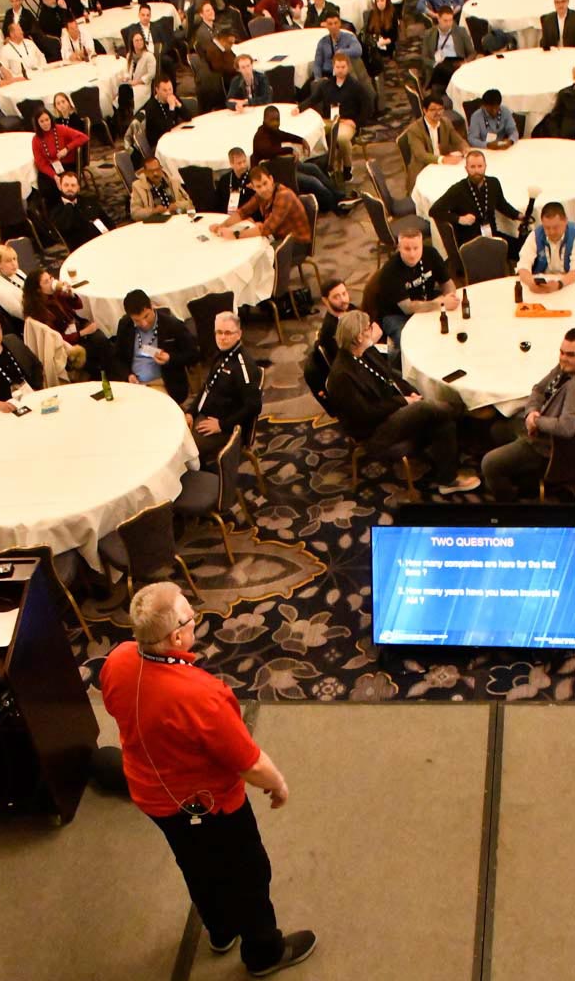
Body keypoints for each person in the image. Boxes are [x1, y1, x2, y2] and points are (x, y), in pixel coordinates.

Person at [100, 581, 316, 976]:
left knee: (195, 865)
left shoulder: (117, 660)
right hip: (211, 807)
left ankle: (220, 929)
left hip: (153, 797)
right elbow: (249, 763)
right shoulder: (202, 695)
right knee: (249, 872)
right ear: (176, 637)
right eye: (190, 616)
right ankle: (264, 952)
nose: (196, 619)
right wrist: (278, 784)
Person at [327, 309, 480, 493]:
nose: (373, 329)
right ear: (359, 337)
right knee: (425, 408)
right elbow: (366, 414)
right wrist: (403, 401)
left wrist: (409, 394)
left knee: (443, 423)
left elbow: (390, 377)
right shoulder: (342, 376)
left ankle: (447, 479)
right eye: (368, 327)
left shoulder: (365, 352)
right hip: (374, 431)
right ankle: (464, 411)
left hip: (388, 411)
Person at [482, 330, 575, 500]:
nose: (563, 358)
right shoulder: (564, 367)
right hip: (538, 427)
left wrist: (536, 422)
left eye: (570, 355)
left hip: (550, 448)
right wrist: (532, 412)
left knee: (489, 464)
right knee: (497, 429)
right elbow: (538, 389)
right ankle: (523, 477)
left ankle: (513, 507)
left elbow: (567, 427)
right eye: (562, 352)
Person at [186, 310, 262, 466]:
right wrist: (191, 412)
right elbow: (207, 387)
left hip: (227, 427)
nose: (222, 337)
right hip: (207, 415)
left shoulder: (243, 365)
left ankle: (201, 475)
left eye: (228, 333)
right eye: (219, 332)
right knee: (177, 432)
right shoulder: (222, 353)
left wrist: (222, 425)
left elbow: (254, 406)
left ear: (239, 334)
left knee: (187, 449)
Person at [252, 105, 356, 214]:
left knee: (313, 168)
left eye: (277, 120)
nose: (275, 123)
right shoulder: (260, 137)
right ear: (265, 120)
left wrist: (301, 140)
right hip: (276, 174)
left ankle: (339, 196)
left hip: (283, 165)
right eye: (272, 120)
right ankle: (335, 205)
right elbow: (269, 151)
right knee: (312, 181)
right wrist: (289, 150)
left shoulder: (272, 131)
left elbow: (284, 135)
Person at [375, 226, 458, 354]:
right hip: (397, 315)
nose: (412, 254)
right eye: (407, 249)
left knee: (451, 327)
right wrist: (441, 303)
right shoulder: (390, 271)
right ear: (399, 248)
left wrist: (450, 296)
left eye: (416, 248)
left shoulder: (431, 254)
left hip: (427, 300)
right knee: (411, 345)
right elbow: (407, 308)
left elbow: (447, 283)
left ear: (422, 246)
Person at [23, 267, 114, 377]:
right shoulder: (39, 312)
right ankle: (105, 373)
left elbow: (78, 305)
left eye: (51, 278)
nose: (51, 282)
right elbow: (57, 338)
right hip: (67, 345)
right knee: (100, 342)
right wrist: (83, 332)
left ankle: (110, 369)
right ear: (38, 290)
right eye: (46, 282)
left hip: (76, 329)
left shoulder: (56, 294)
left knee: (101, 340)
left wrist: (71, 294)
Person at [429, 149, 523, 254]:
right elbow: (434, 210)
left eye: (480, 166)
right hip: (470, 242)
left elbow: (502, 204)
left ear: (485, 167)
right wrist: (460, 219)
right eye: (472, 167)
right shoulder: (458, 190)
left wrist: (518, 215)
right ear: (466, 168)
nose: (476, 170)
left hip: (492, 236)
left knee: (523, 247)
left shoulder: (493, 183)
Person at [114, 290, 198, 401]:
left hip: (162, 383)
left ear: (152, 306)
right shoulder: (125, 325)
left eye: (146, 316)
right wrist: (128, 375)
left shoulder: (172, 325)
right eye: (137, 320)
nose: (144, 323)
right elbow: (117, 357)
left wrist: (170, 358)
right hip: (134, 383)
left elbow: (193, 354)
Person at [296, 52, 367, 180]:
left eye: (343, 67)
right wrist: (299, 108)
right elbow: (313, 99)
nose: (340, 70)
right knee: (313, 132)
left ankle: (347, 168)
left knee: (342, 138)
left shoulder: (356, 86)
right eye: (337, 67)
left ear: (348, 67)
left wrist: (356, 122)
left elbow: (367, 106)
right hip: (328, 120)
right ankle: (320, 164)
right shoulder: (326, 85)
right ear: (333, 67)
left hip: (346, 122)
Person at [211, 165, 311, 246]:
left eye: (265, 183)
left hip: (295, 243)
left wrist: (235, 234)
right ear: (253, 187)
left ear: (271, 179)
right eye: (258, 186)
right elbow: (243, 212)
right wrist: (221, 226)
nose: (263, 189)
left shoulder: (284, 195)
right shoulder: (260, 195)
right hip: (279, 235)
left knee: (254, 253)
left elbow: (267, 229)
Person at [404, 93, 468, 190]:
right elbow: (420, 155)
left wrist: (465, 148)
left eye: (440, 109)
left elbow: (458, 141)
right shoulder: (415, 129)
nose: (438, 113)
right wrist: (442, 159)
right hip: (423, 169)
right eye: (433, 110)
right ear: (425, 110)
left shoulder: (445, 122)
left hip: (443, 168)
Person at [31, 108, 88, 203]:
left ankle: (70, 204)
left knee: (65, 185)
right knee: (47, 189)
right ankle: (56, 209)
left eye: (47, 120)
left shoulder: (60, 129)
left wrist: (67, 148)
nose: (45, 123)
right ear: (37, 123)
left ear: (51, 119)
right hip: (49, 167)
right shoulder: (36, 139)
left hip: (66, 164)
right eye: (42, 121)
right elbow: (41, 164)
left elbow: (83, 137)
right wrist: (54, 176)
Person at [517, 202, 575, 294]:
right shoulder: (536, 235)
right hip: (542, 287)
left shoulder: (573, 234)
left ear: (565, 221)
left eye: (555, 227)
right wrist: (531, 283)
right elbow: (523, 265)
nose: (551, 232)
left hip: (568, 285)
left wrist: (559, 284)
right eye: (547, 228)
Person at [50, 170, 115, 250]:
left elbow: (107, 220)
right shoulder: (56, 211)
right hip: (81, 248)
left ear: (78, 188)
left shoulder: (88, 201)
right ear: (60, 187)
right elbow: (65, 228)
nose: (69, 188)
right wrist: (69, 205)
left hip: (104, 241)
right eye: (66, 185)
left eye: (73, 185)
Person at [421, 4, 475, 90]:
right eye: (445, 21)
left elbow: (472, 53)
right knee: (441, 68)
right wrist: (435, 64)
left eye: (450, 20)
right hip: (439, 66)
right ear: (438, 19)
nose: (448, 24)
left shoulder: (460, 32)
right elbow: (424, 58)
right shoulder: (429, 34)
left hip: (457, 63)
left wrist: (465, 62)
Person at [144, 77, 191, 149]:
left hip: (174, 137)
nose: (168, 93)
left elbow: (188, 117)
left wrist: (179, 105)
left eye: (170, 89)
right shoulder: (152, 107)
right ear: (157, 90)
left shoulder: (173, 98)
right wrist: (171, 108)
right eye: (165, 90)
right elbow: (166, 129)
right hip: (158, 144)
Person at [360, 0, 398, 79]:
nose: (380, 3)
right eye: (377, 1)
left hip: (387, 44)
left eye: (382, 0)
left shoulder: (392, 14)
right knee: (365, 49)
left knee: (373, 53)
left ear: (386, 1)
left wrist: (384, 41)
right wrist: (374, 39)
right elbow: (368, 31)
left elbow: (394, 36)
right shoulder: (372, 14)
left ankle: (375, 73)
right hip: (374, 41)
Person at [313, 13, 362, 79]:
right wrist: (318, 78)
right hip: (327, 74)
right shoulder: (322, 42)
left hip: (344, 74)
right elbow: (317, 64)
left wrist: (342, 52)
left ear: (340, 23)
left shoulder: (349, 37)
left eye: (335, 23)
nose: (333, 26)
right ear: (326, 25)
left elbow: (358, 50)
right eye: (330, 24)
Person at [318, 277, 356, 362]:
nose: (343, 300)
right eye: (336, 297)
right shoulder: (330, 329)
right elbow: (342, 358)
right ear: (325, 300)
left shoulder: (351, 308)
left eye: (344, 293)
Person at [120, 31, 157, 114]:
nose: (139, 42)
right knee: (121, 88)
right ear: (132, 43)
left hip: (142, 85)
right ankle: (122, 112)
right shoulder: (129, 55)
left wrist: (137, 82)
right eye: (137, 40)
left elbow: (151, 74)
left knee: (124, 90)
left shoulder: (149, 56)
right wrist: (126, 78)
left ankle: (123, 113)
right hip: (131, 83)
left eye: (141, 40)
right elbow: (127, 71)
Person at [0, 244, 27, 321]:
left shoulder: (18, 272)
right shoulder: (0, 290)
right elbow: (23, 314)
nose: (14, 264)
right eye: (8, 261)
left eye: (14, 259)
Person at [216, 148, 255, 214]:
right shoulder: (224, 180)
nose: (243, 165)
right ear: (231, 164)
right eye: (239, 163)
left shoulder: (252, 178)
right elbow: (218, 202)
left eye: (244, 161)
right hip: (226, 215)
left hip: (247, 215)